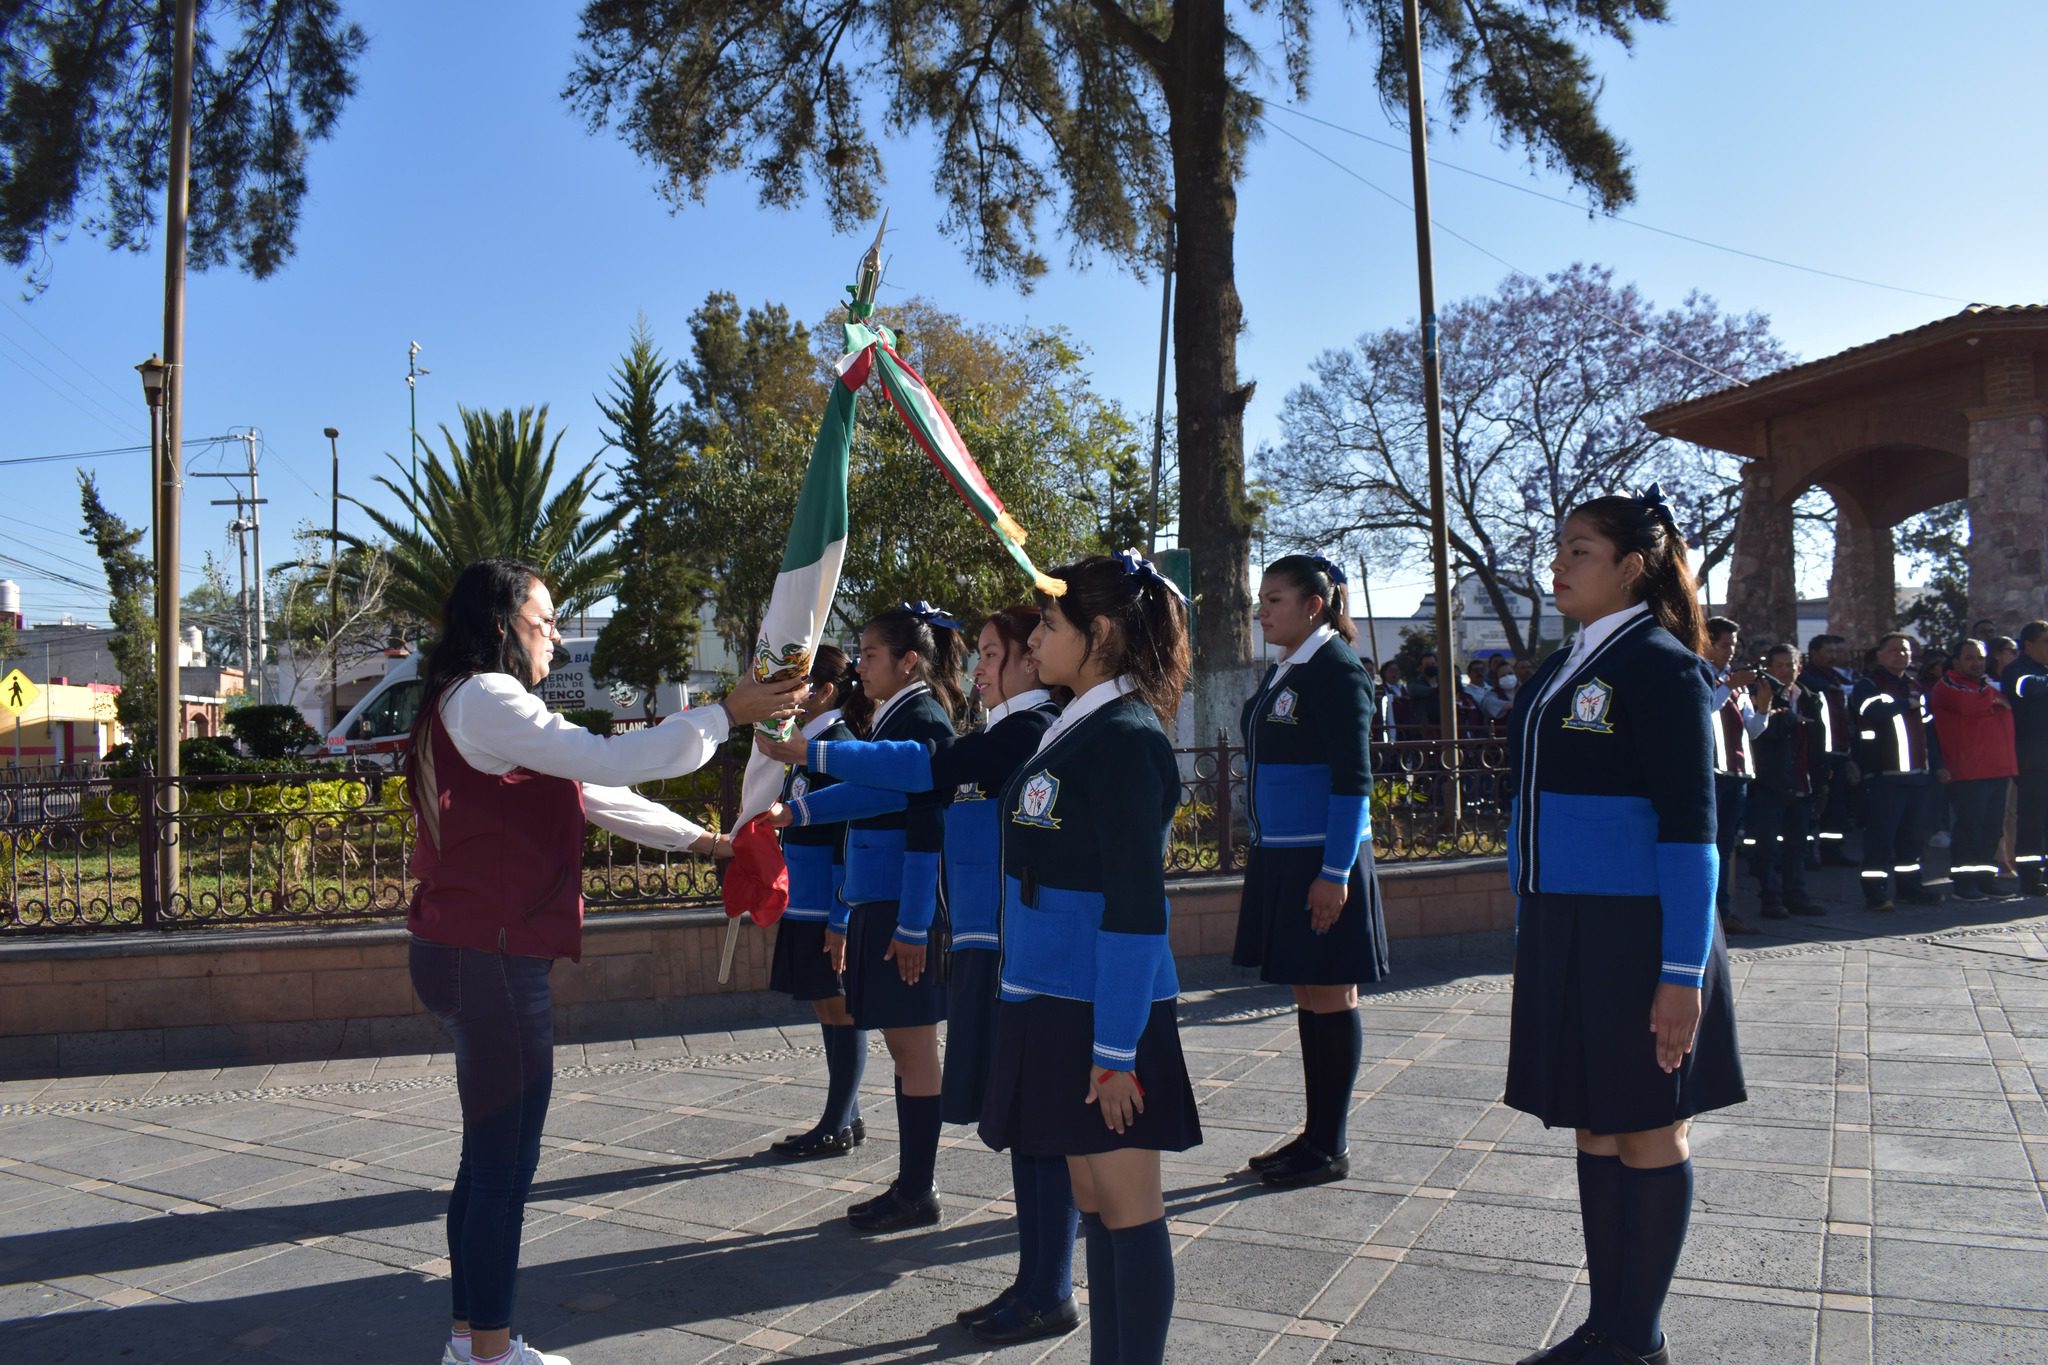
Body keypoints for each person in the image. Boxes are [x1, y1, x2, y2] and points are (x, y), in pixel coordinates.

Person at [404, 559, 802, 1365]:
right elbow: (613, 759)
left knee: (487, 1160)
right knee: (503, 1169)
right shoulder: (486, 695)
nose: (554, 635)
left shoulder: (473, 705)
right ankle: (487, 1354)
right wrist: (727, 711)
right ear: (500, 626)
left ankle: (468, 1342)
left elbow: (594, 789)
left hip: (468, 950)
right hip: (490, 957)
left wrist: (707, 842)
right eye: (543, 620)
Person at [766, 608, 1079, 1343]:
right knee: (1022, 1122)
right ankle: (1037, 1281)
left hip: (1014, 948)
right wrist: (803, 800)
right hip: (986, 947)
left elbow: (916, 792)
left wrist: (815, 756)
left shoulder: (1029, 734)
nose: (979, 666)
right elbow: (902, 792)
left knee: (1037, 1121)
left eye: (998, 653)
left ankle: (1048, 1284)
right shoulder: (1000, 735)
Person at [1505, 491, 1744, 1365]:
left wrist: (1682, 972)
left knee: (1648, 1126)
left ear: (1632, 568)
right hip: (1568, 930)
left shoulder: (1661, 666)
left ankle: (1636, 1335)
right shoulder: (1567, 663)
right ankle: (1608, 1323)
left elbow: (1692, 829)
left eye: (1581, 551)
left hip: (1640, 936)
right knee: (1596, 1124)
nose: (1560, 564)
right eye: (1560, 548)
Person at [979, 551, 1203, 1365]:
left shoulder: (1127, 737)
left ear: (1099, 633)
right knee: (1090, 1194)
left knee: (1127, 1199)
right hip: (1050, 996)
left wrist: (1115, 1052)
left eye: (1049, 622)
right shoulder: (1079, 723)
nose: (1036, 636)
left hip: (1103, 1011)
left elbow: (1139, 911)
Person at [776, 603, 965, 1231]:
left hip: (900, 908)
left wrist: (913, 926)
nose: (860, 665)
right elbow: (879, 791)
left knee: (913, 1049)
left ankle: (918, 1190)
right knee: (903, 1048)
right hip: (880, 902)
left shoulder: (921, 714)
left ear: (908, 661)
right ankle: (912, 1185)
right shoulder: (895, 714)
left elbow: (924, 821)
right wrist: (798, 815)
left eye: (871, 654)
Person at [1232, 554, 1389, 1189]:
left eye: (1274, 600)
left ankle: (1330, 1143)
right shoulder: (1288, 669)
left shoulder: (1336, 670)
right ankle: (1314, 1133)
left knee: (1331, 992)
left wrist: (1336, 870)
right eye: (1261, 600)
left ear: (1314, 606)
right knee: (1309, 992)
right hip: (1284, 856)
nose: (1262, 611)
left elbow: (1354, 782)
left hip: (1322, 858)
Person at [765, 645, 869, 1160]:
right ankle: (845, 1115)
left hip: (826, 906)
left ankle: (836, 1123)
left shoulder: (837, 746)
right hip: (803, 902)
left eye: (798, 685)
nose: (789, 695)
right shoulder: (809, 745)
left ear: (824, 691)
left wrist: (842, 915)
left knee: (840, 1008)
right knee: (827, 1009)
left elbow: (845, 837)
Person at [1851, 634, 1942, 909]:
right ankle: (1875, 892)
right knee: (1881, 837)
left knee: (1912, 837)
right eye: (1893, 650)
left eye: (1905, 650)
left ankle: (1910, 887)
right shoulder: (1869, 685)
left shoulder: (1914, 685)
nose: (1900, 655)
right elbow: (1870, 712)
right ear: (1879, 654)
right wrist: (1903, 705)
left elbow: (1927, 728)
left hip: (1916, 776)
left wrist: (1934, 765)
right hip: (1885, 776)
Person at [1929, 639, 2017, 901]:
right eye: (1969, 658)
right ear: (1955, 661)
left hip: (1998, 767)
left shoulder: (1983, 686)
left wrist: (1989, 698)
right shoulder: (1948, 684)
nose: (1977, 663)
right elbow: (1970, 707)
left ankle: (1985, 878)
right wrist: (1991, 698)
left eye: (1980, 657)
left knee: (1992, 829)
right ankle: (1964, 883)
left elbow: (2004, 706)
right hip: (1968, 769)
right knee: (1970, 827)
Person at [1745, 644, 1826, 918]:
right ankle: (1771, 897)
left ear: (1799, 666)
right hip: (1770, 783)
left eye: (1790, 665)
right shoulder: (1760, 694)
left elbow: (1818, 740)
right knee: (1767, 846)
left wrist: (1822, 777)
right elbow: (1761, 733)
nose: (1785, 671)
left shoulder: (1810, 697)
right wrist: (1789, 719)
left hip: (1802, 781)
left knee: (1798, 845)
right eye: (1779, 666)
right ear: (1769, 668)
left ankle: (1796, 895)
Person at [1702, 617, 1764, 936]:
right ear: (1707, 642)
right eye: (1725, 645)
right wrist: (1729, 685)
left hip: (1738, 772)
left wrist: (1763, 706)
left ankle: (1724, 911)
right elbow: (1704, 710)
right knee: (1708, 845)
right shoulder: (1699, 674)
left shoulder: (1732, 682)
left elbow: (1752, 729)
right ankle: (1708, 912)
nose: (1730, 652)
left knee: (1726, 846)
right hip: (1711, 773)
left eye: (1733, 646)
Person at [1799, 635, 1856, 866]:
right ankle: (1807, 852)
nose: (1834, 655)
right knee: (1814, 804)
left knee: (1837, 806)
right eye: (1828, 651)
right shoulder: (1807, 679)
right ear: (1813, 652)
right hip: (1817, 752)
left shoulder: (1840, 677)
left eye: (1836, 651)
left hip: (1840, 750)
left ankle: (1833, 850)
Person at [2000, 621, 2048, 897]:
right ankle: (2030, 877)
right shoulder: (2018, 671)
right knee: (2032, 819)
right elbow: (2025, 689)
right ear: (2028, 645)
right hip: (2033, 759)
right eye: (2046, 641)